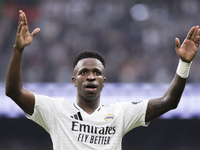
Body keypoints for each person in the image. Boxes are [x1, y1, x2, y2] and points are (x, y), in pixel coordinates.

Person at [5, 10, 200, 150]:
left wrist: (184, 63)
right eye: (84, 72)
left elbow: (169, 102)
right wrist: (18, 49)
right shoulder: (55, 111)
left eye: (97, 73)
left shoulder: (120, 113)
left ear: (104, 81)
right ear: (74, 80)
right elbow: (13, 92)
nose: (91, 76)